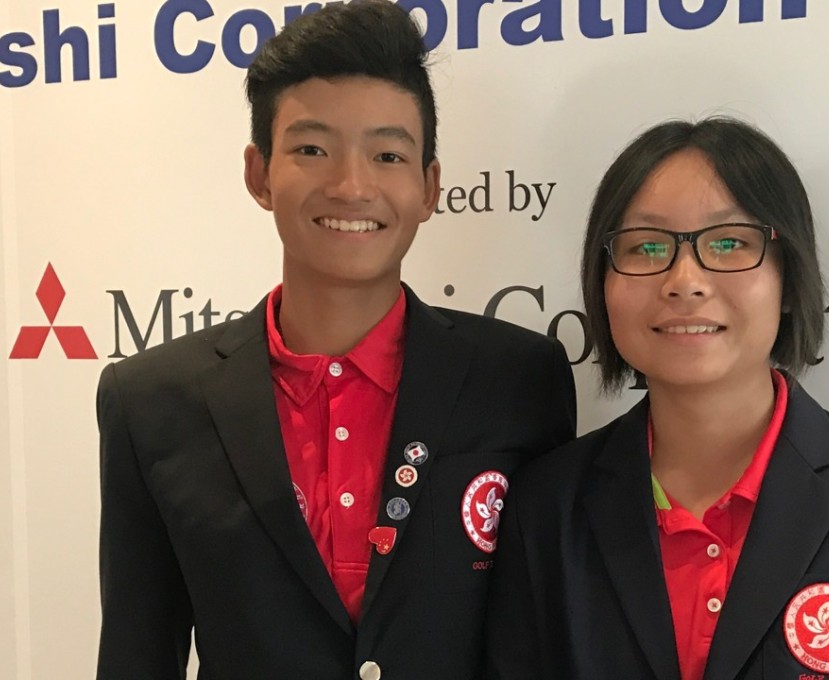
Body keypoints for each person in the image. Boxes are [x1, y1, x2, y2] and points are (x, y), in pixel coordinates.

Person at [94, 3, 576, 678]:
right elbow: (137, 653)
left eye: (388, 155)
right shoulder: (150, 401)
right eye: (312, 150)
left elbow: (547, 631)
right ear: (260, 174)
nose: (352, 186)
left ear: (429, 186)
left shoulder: (520, 379)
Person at [485, 118, 829, 679]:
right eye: (646, 246)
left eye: (728, 243)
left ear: (789, 279)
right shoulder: (547, 507)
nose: (684, 280)